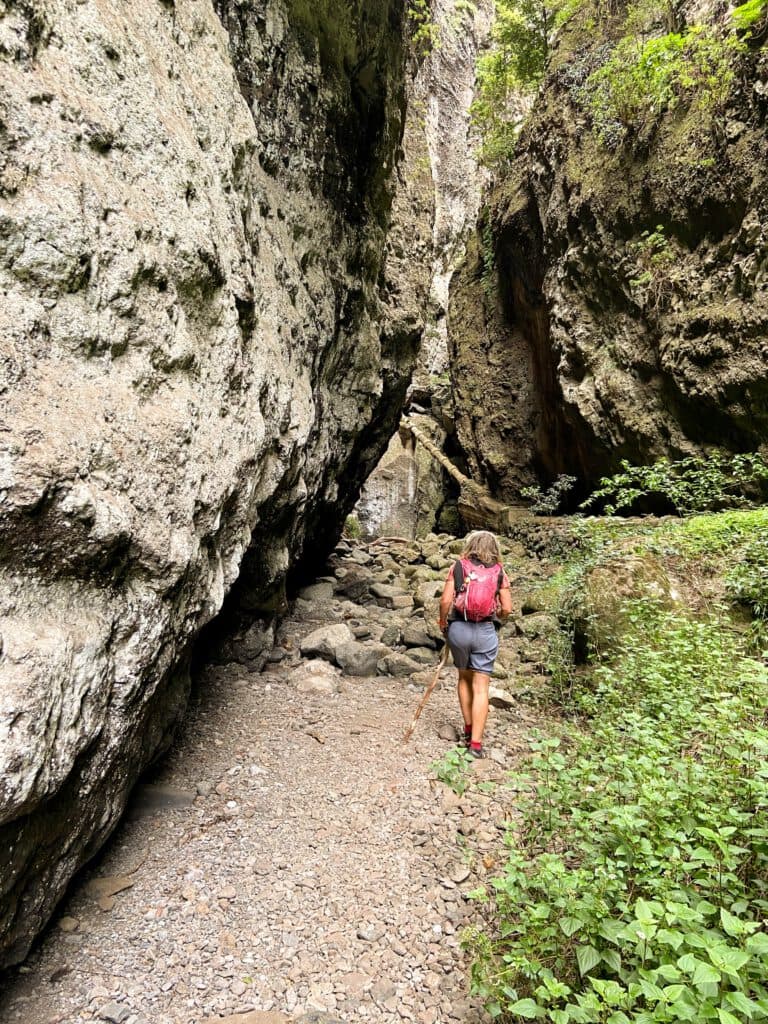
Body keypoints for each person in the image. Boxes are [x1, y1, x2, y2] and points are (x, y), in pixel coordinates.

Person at [438, 530, 513, 759]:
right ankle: (476, 745)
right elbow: (507, 609)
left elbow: (445, 600)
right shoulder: (500, 572)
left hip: (459, 628)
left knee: (464, 678)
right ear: (495, 549)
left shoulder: (458, 567)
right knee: (481, 686)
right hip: (485, 631)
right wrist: (498, 613)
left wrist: (443, 622)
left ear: (470, 546)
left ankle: (468, 729)